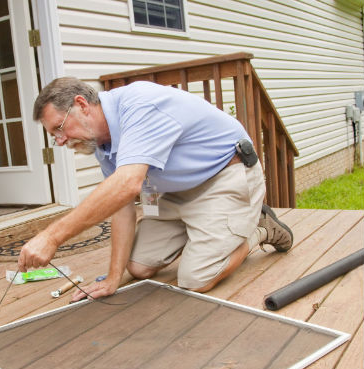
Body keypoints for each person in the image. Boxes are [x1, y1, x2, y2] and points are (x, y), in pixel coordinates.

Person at [17, 77, 293, 300]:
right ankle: (208, 233)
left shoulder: (140, 105)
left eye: (59, 128)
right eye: (54, 136)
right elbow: (121, 205)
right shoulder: (100, 142)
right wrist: (113, 279)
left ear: (82, 104)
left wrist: (52, 237)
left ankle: (259, 228)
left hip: (223, 177)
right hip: (176, 191)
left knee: (196, 279)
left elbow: (127, 185)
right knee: (138, 267)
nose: (61, 140)